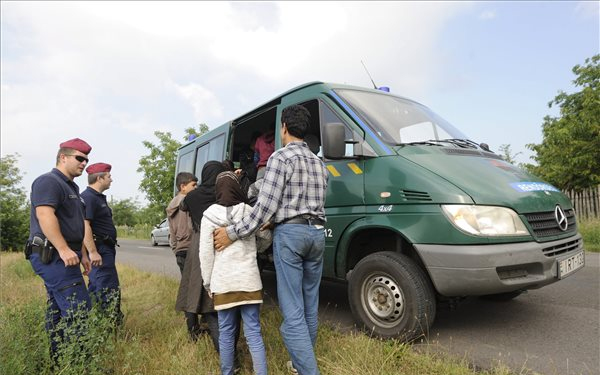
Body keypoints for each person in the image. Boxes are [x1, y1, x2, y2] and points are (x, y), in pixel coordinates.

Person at [214, 105, 329, 375]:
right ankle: (300, 363)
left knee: (293, 310)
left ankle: (308, 371)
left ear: (285, 128)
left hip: (291, 235)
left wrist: (231, 233)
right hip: (317, 234)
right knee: (310, 304)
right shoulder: (319, 163)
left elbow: (264, 209)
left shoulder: (280, 158)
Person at [26, 138, 102, 362]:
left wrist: (83, 255)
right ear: (63, 157)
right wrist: (62, 248)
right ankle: (80, 363)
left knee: (59, 309)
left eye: (86, 160)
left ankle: (60, 362)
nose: (84, 163)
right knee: (78, 309)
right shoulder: (48, 181)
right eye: (80, 158)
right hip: (52, 255)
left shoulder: (72, 187)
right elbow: (44, 215)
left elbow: (74, 224)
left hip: (67, 256)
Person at [200, 171, 269, 375]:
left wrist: (207, 283)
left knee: (226, 333)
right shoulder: (249, 211)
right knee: (254, 333)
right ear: (238, 188)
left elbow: (205, 253)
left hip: (223, 281)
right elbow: (265, 236)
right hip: (249, 280)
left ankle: (227, 372)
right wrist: (256, 248)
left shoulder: (209, 215)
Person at [174, 162, 230, 352]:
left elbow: (182, 206)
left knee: (194, 288)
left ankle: (193, 330)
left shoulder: (193, 196)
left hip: (199, 244)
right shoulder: (222, 193)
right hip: (224, 241)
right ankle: (226, 348)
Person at [81, 162, 124, 325]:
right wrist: (92, 252)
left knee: (99, 287)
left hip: (105, 249)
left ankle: (97, 323)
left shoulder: (96, 197)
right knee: (107, 288)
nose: (111, 180)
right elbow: (85, 225)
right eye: (108, 177)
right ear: (99, 178)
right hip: (100, 250)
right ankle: (110, 326)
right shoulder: (89, 197)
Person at [167, 172, 199, 340]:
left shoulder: (172, 203)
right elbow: (190, 228)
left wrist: (175, 248)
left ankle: (193, 327)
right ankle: (193, 331)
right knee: (193, 289)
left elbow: (171, 233)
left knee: (188, 287)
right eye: (193, 185)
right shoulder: (186, 203)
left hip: (180, 249)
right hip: (190, 249)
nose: (196, 188)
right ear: (183, 187)